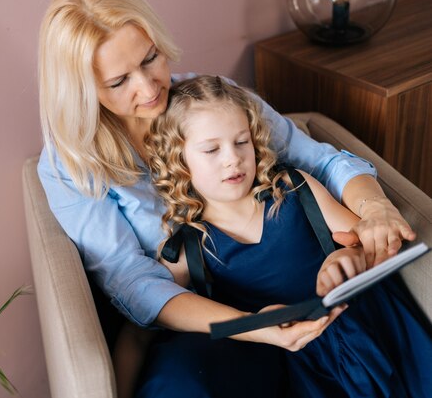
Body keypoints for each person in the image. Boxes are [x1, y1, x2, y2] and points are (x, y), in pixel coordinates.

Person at [37, 0, 416, 396]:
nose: (149, 89)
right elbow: (136, 288)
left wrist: (375, 209)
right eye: (118, 82)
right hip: (204, 324)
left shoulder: (211, 99)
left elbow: (321, 162)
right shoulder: (70, 166)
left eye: (151, 58)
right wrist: (251, 326)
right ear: (81, 90)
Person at [139, 74, 432, 397]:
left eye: (241, 142)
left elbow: (364, 241)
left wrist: (347, 256)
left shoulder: (294, 189)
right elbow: (151, 320)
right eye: (211, 149)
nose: (232, 159)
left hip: (359, 328)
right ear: (178, 162)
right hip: (292, 358)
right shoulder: (189, 245)